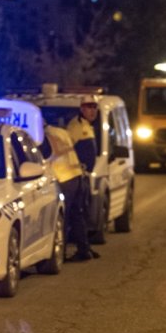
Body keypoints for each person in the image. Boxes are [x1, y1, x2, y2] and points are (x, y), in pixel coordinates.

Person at [41, 125, 94, 262]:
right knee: (77, 214)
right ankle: (84, 250)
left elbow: (49, 154)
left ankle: (61, 253)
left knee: (63, 216)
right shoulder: (61, 132)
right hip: (76, 175)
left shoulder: (45, 135)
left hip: (64, 178)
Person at [65, 95, 101, 260]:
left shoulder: (87, 125)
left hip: (84, 176)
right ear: (81, 108)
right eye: (88, 106)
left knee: (83, 213)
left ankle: (85, 247)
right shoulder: (75, 126)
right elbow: (67, 150)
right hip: (76, 176)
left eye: (94, 107)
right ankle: (81, 249)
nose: (92, 110)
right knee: (76, 213)